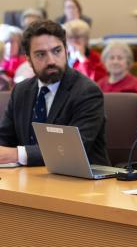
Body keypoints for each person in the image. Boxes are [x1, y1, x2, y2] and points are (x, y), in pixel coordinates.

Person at [0, 20, 110, 166]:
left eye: (57, 51)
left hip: (81, 181)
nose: (51, 60)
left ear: (66, 50)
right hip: (29, 179)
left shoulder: (87, 92)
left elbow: (72, 149)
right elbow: (4, 138)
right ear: (28, 59)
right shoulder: (21, 91)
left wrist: (17, 154)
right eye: (41, 54)